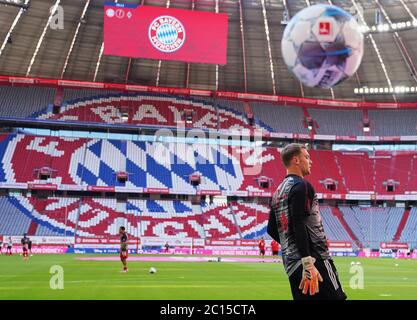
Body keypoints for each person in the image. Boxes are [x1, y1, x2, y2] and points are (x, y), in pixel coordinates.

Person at [268, 143, 346, 300]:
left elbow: (272, 229)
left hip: (292, 265)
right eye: (307, 157)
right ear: (296, 160)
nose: (310, 161)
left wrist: (293, 247)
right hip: (314, 261)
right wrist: (307, 261)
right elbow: (299, 223)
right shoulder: (302, 185)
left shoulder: (278, 192)